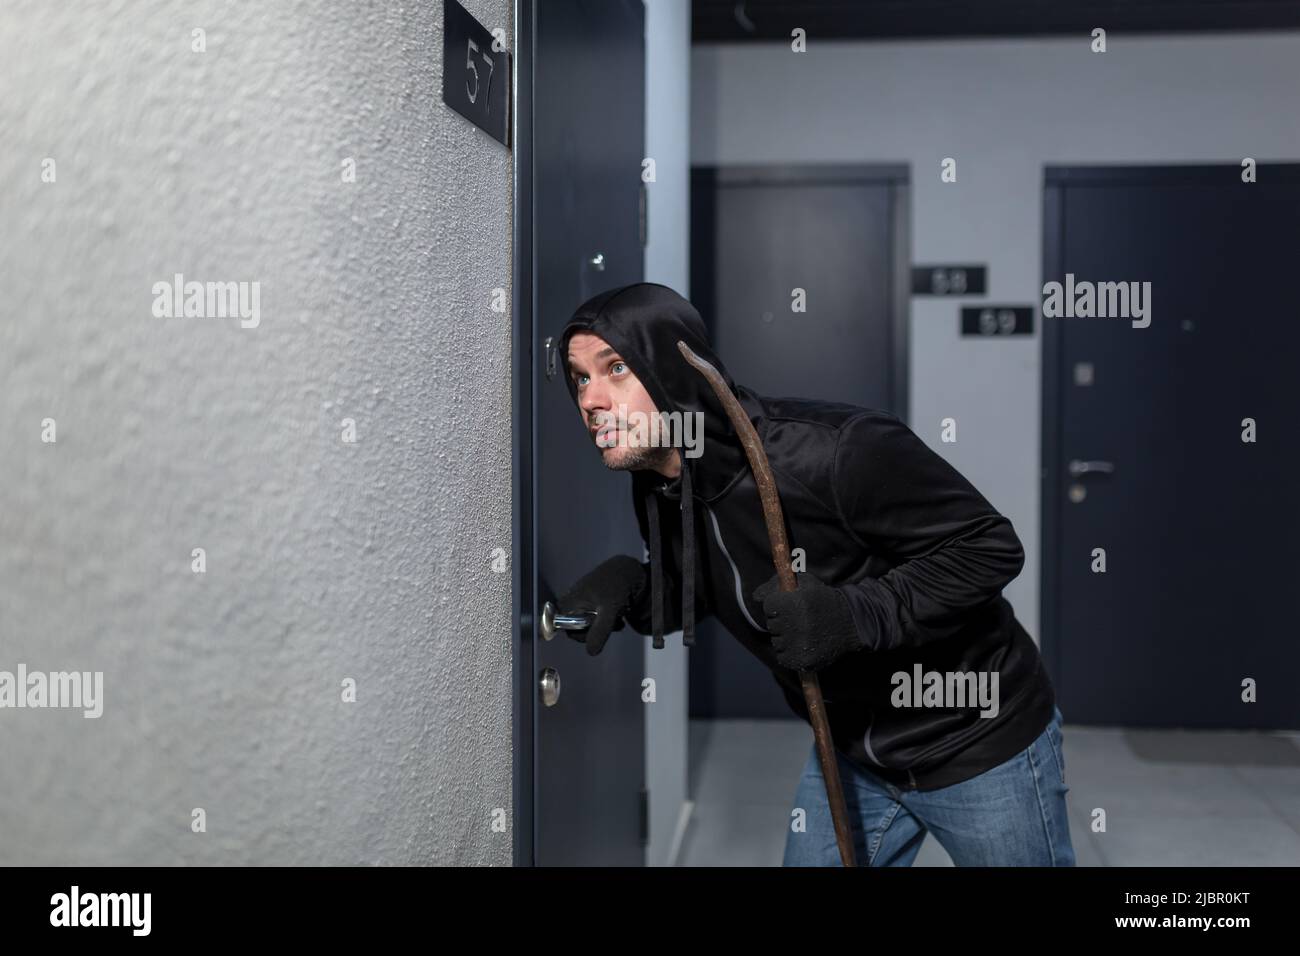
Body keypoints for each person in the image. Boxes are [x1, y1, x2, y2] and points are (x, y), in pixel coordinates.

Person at [556, 282, 1074, 867]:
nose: (591, 399)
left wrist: (851, 617)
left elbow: (990, 548)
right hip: (849, 753)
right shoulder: (662, 483)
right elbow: (713, 589)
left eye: (616, 368)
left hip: (976, 741)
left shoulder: (834, 451)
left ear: (679, 373)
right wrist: (635, 588)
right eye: (579, 378)